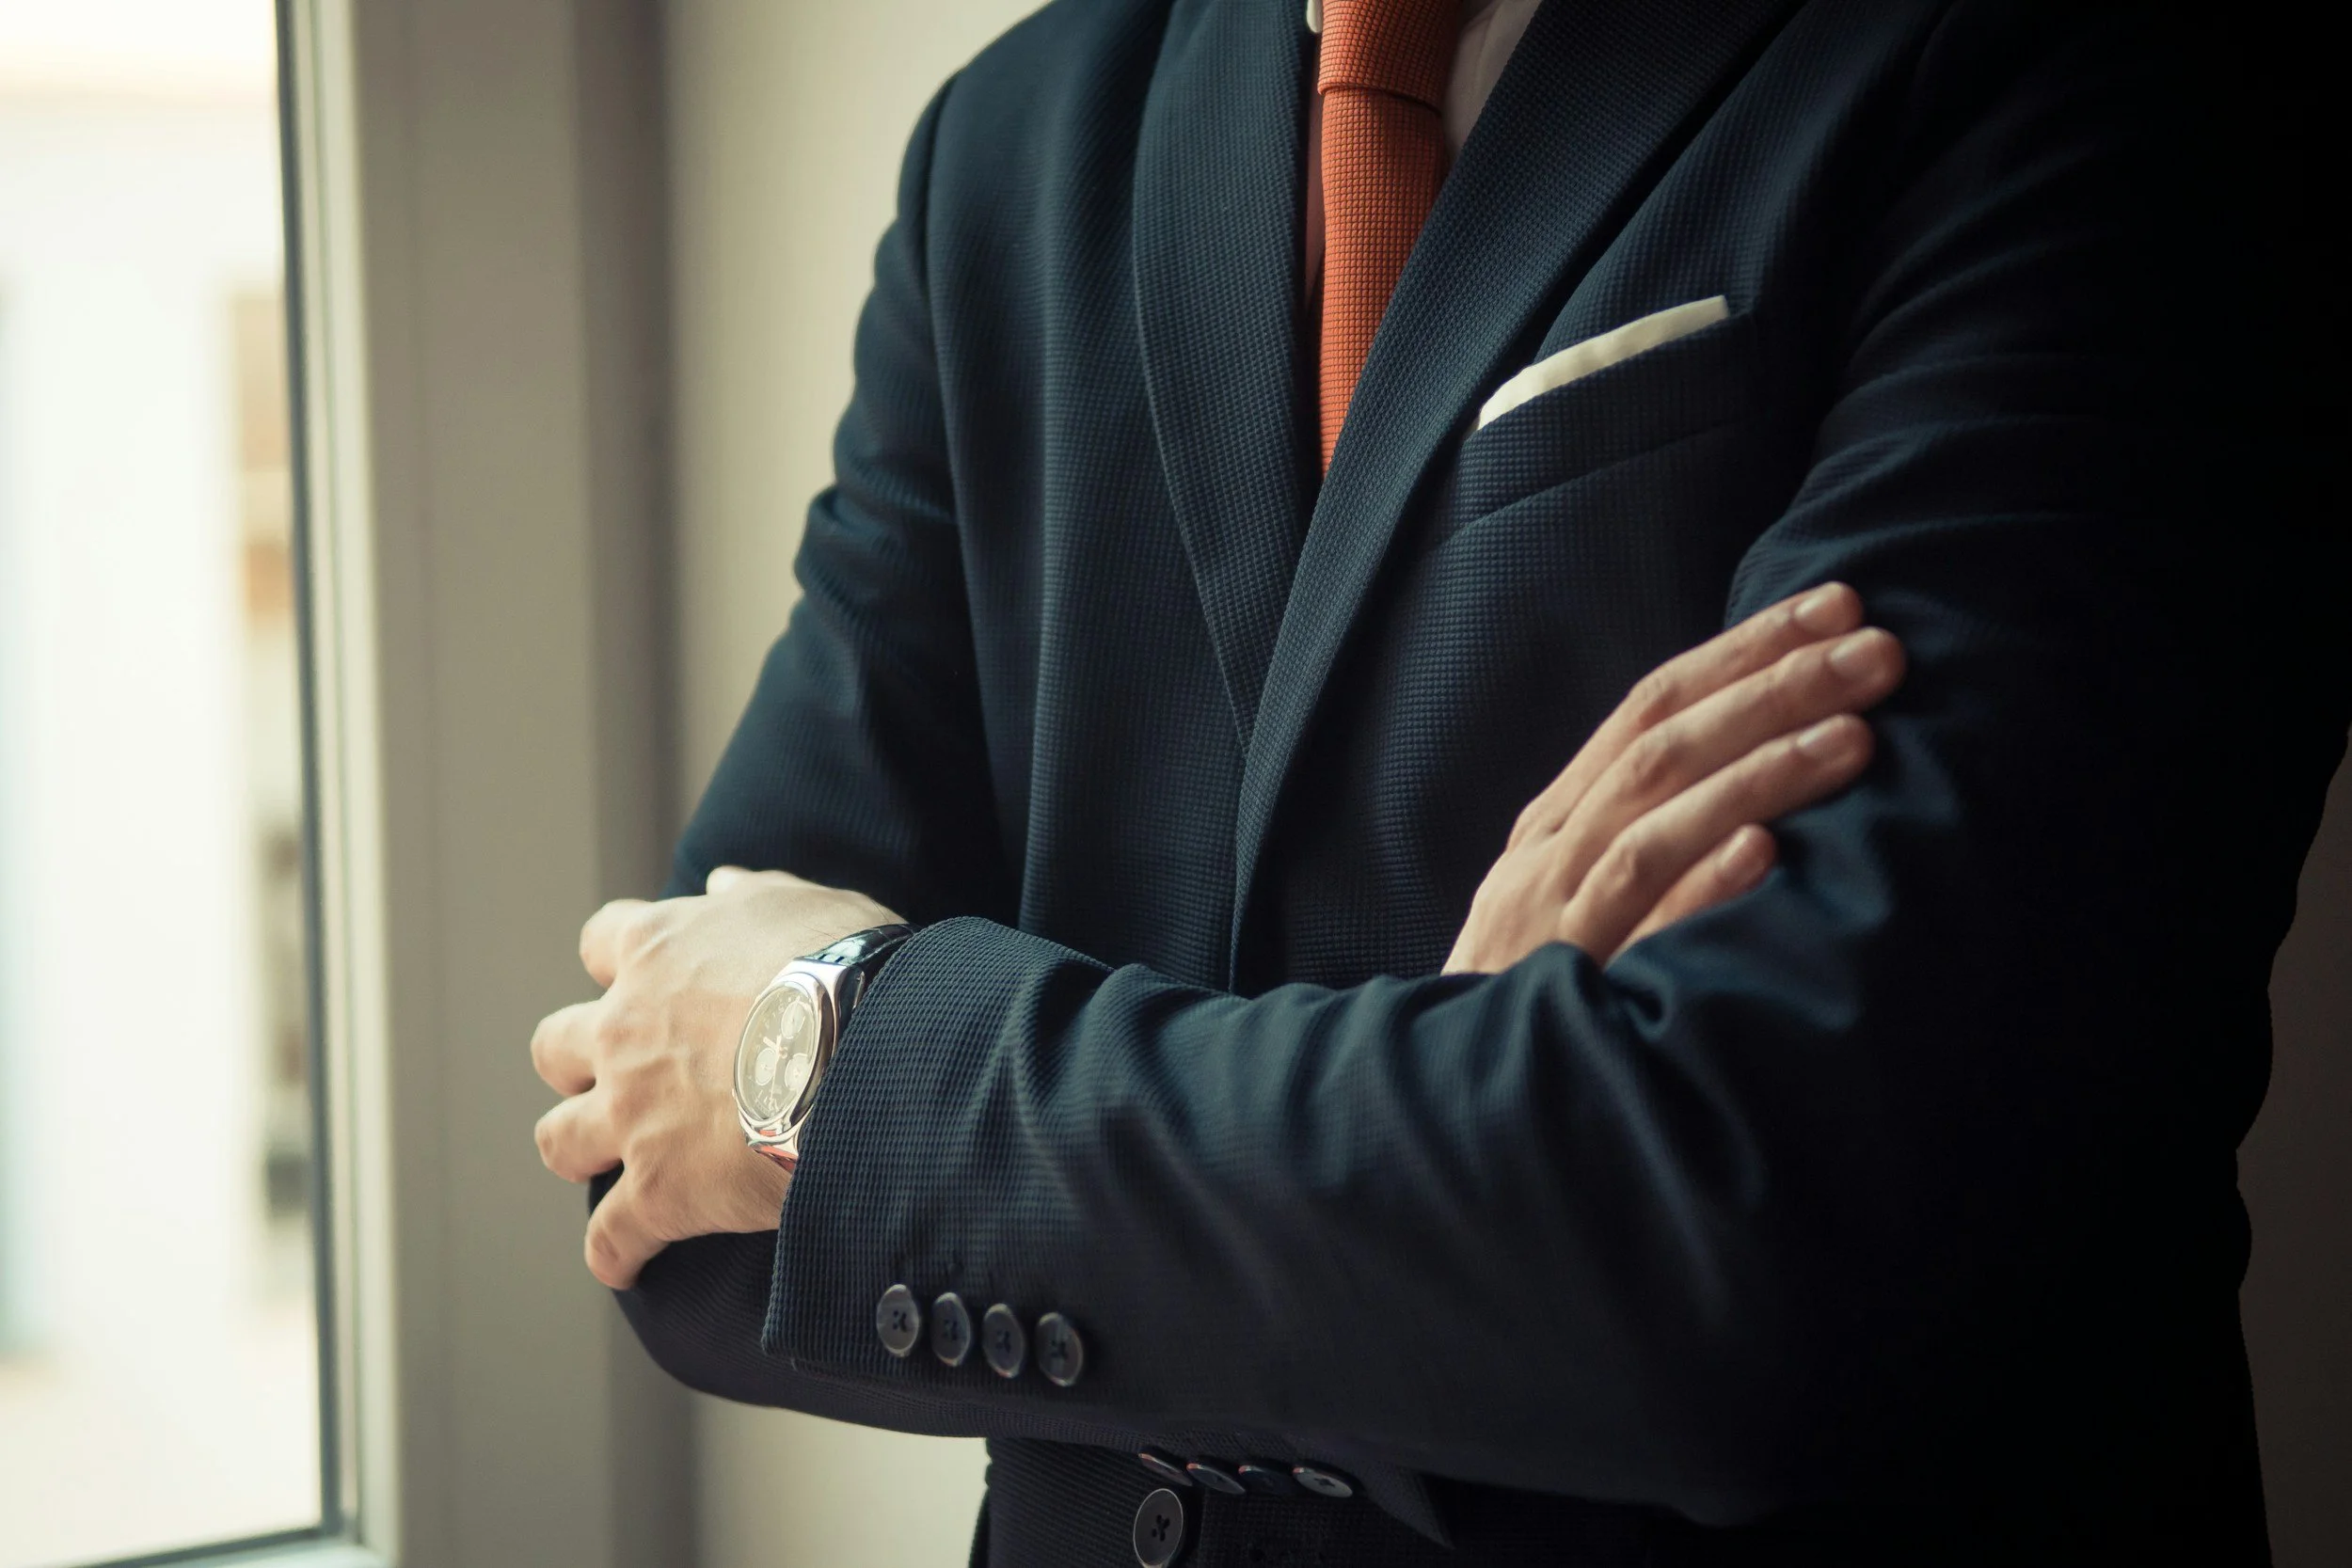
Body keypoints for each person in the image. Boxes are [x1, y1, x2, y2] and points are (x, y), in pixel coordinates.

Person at [528, 0, 2344, 1562]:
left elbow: (1760, 1236)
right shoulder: (1007, 153)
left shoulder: (2071, 72)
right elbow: (658, 1199)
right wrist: (1445, 1150)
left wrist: (845, 1069)